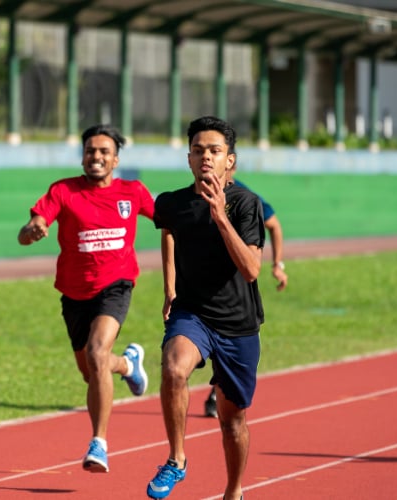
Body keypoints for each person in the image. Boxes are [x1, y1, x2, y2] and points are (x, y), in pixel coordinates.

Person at [17, 124, 153, 473]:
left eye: (104, 152)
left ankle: (99, 443)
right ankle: (127, 365)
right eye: (91, 151)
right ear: (83, 156)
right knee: (92, 371)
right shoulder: (63, 190)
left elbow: (167, 219)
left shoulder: (132, 192)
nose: (96, 157)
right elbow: (28, 230)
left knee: (96, 352)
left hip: (116, 285)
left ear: (115, 159)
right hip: (74, 292)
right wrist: (32, 232)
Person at [147, 116, 264, 500]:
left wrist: (220, 216)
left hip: (237, 322)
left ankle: (234, 490)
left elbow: (250, 269)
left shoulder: (247, 204)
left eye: (215, 151)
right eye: (198, 151)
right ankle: (177, 459)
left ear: (230, 160)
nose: (206, 158)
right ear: (189, 158)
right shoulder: (171, 203)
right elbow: (168, 232)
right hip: (192, 312)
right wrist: (169, 288)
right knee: (173, 368)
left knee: (232, 420)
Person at [203, 178, 287, 418]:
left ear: (230, 161)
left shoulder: (245, 196)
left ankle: (217, 391)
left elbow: (274, 225)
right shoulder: (197, 193)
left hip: (238, 291)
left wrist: (277, 264)